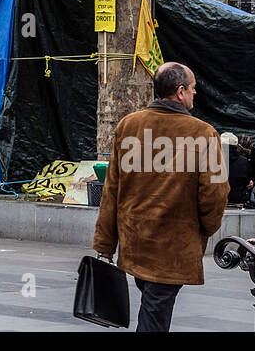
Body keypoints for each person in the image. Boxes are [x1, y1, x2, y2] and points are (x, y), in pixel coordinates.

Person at [92, 61, 229, 331]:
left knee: (153, 302)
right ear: (180, 92)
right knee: (155, 312)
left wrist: (105, 244)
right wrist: (207, 228)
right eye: (192, 89)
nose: (195, 93)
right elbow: (215, 192)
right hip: (173, 245)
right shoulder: (203, 133)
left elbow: (111, 190)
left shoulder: (128, 125)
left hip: (135, 240)